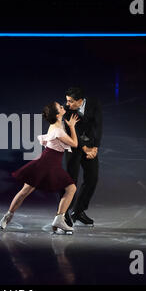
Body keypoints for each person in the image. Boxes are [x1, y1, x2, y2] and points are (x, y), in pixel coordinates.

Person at [0, 102, 80, 234]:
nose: (63, 107)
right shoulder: (58, 129)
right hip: (47, 162)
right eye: (61, 107)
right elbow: (75, 143)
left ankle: (58, 219)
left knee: (27, 190)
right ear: (58, 114)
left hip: (50, 161)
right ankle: (58, 219)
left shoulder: (57, 124)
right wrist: (72, 127)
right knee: (69, 188)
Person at [61, 87, 102, 227]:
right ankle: (64, 213)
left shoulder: (93, 104)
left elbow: (98, 126)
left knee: (92, 178)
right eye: (67, 100)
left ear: (80, 101)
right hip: (73, 146)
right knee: (70, 180)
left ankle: (78, 211)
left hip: (90, 145)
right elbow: (73, 132)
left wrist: (95, 147)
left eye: (71, 101)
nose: (67, 104)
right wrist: (86, 148)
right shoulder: (66, 111)